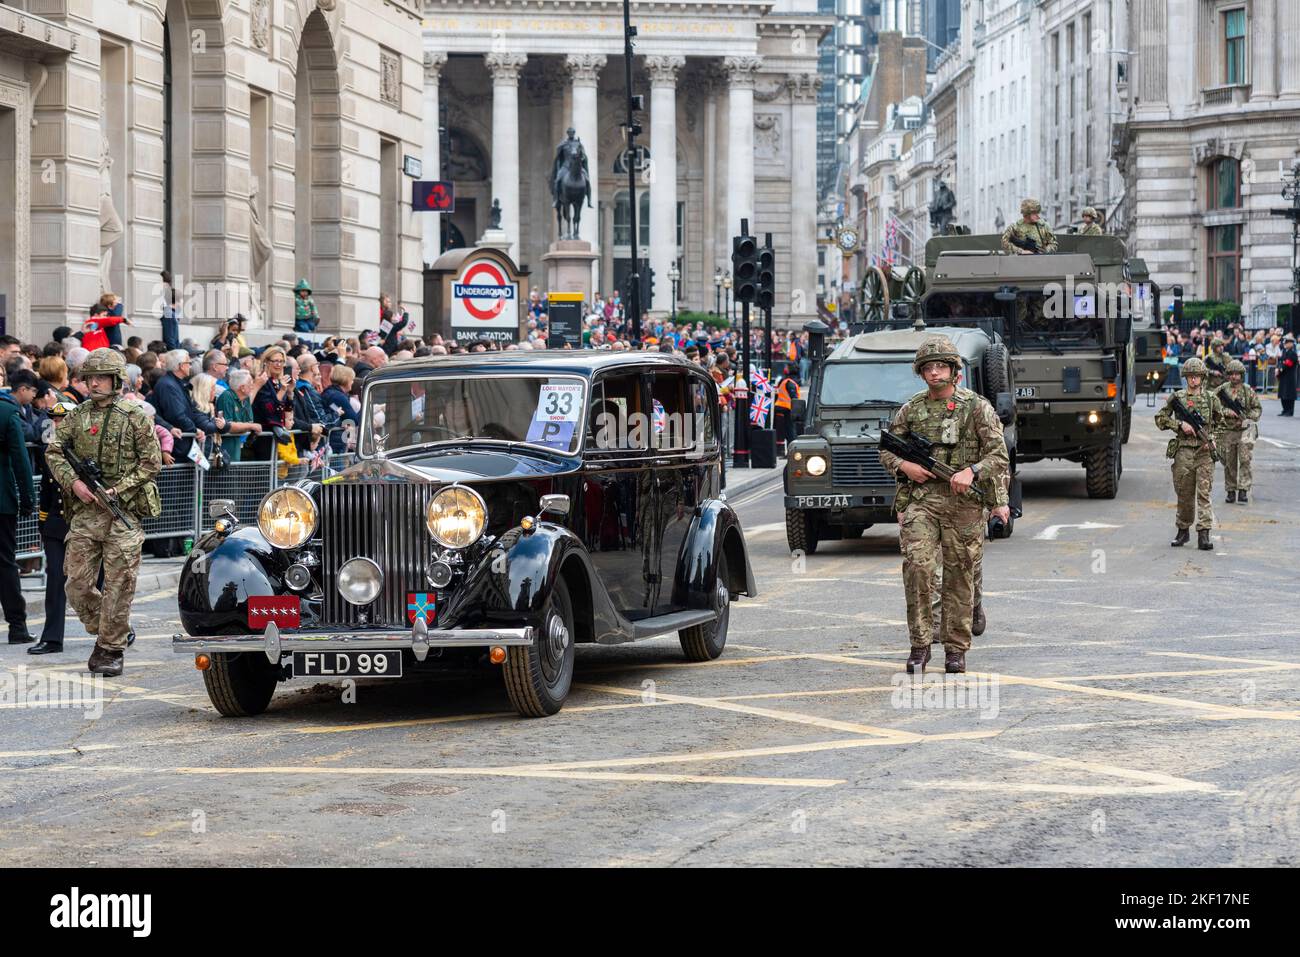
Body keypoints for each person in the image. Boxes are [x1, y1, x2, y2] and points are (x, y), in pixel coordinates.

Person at [877, 335, 1010, 675]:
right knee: (918, 568)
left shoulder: (977, 407)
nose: (934, 373)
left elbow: (998, 456)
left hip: (963, 503)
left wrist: (972, 471)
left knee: (959, 574)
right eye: (928, 368)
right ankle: (920, 645)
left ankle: (956, 648)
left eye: (941, 367)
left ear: (954, 370)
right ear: (921, 373)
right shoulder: (912, 409)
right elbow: (888, 447)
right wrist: (903, 466)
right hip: (922, 500)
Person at [45, 349, 161, 677]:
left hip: (123, 511)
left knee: (120, 583)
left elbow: (151, 462)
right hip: (85, 512)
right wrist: (74, 484)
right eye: (90, 378)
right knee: (76, 584)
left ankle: (110, 647)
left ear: (116, 380)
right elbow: (54, 451)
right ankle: (113, 629)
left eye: (101, 378)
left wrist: (118, 489)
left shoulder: (135, 415)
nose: (94, 384)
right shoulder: (76, 416)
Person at [1154, 356, 1223, 550]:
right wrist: (1179, 424)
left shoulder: (1211, 399)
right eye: (1190, 376)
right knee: (1184, 494)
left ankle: (1204, 534)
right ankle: (1183, 531)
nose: (1194, 380)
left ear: (1202, 377)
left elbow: (1222, 423)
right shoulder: (1177, 398)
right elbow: (1160, 418)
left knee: (1204, 493)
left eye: (1197, 376)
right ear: (1186, 378)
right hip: (1183, 451)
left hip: (1204, 452)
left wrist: (1214, 437)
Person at [27, 400, 77, 655]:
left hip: (84, 526)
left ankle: (116, 630)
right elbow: (47, 493)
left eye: (62, 419)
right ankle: (52, 638)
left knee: (95, 584)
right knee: (55, 580)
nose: (57, 424)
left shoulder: (87, 451)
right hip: (56, 525)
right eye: (54, 420)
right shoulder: (51, 452)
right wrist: (43, 524)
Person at [0, 374, 36, 645]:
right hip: (2, 501)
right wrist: (28, 499)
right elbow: (21, 462)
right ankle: (17, 626)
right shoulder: (7, 412)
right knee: (5, 563)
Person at [1215, 358, 1261, 504]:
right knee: (1229, 462)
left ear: (1242, 374)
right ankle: (1230, 490)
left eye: (1237, 374)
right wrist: (1226, 411)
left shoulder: (1248, 391)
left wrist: (1247, 417)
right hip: (1228, 431)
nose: (1234, 376)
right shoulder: (1223, 390)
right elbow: (1213, 406)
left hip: (1245, 431)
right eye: (1231, 374)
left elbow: (1257, 409)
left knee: (1245, 460)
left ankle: (1243, 490)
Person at [214, 368, 262, 462]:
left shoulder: (246, 398)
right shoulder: (226, 397)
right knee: (227, 474)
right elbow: (227, 426)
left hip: (239, 444)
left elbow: (249, 421)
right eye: (250, 384)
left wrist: (247, 426)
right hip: (225, 446)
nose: (252, 387)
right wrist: (250, 426)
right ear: (242, 387)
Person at [772, 363, 800, 455]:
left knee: (790, 432)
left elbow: (793, 397)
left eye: (786, 367)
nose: (784, 368)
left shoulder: (788, 381)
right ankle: (791, 451)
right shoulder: (790, 381)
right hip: (787, 409)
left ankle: (791, 452)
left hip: (785, 408)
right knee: (790, 431)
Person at [1279, 333, 1297, 415]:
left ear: (1291, 344)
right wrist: (1278, 367)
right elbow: (1280, 361)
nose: (1285, 344)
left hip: (1289, 376)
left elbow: (1288, 363)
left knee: (1289, 394)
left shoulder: (1292, 353)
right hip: (1283, 375)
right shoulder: (1284, 352)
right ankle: (1285, 409)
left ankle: (1290, 411)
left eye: (1287, 343)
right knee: (1283, 393)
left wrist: (1282, 366)